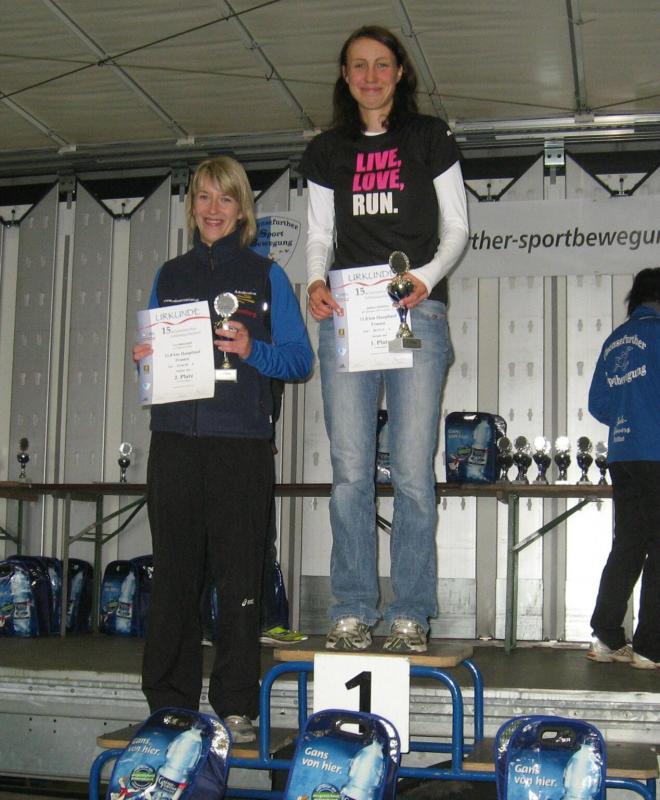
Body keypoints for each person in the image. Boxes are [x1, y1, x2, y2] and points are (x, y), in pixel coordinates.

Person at [299, 25, 469, 652]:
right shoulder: (327, 150)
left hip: (415, 313)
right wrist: (314, 280)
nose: (370, 76)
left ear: (400, 73)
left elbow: (457, 227)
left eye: (381, 65)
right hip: (349, 315)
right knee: (350, 471)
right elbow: (320, 233)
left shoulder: (429, 137)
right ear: (345, 77)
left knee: (414, 471)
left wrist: (425, 278)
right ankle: (351, 607)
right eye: (358, 66)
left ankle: (411, 612)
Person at [133, 156, 313, 742]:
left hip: (240, 446)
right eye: (204, 198)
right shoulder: (169, 275)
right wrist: (146, 361)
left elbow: (300, 361)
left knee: (240, 581)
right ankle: (169, 701)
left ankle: (237, 705)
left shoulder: (267, 276)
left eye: (225, 199)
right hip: (174, 444)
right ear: (192, 206)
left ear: (242, 210)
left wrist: (252, 348)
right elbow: (154, 364)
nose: (214, 209)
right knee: (174, 578)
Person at [587, 267, 660, 670]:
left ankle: (606, 636)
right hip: (657, 452)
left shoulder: (615, 340)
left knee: (629, 544)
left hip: (623, 454)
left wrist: (628, 414)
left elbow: (598, 404)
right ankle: (650, 647)